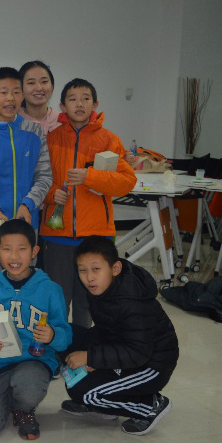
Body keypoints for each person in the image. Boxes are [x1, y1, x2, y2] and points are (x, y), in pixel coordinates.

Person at [0, 67, 52, 377]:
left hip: (27, 226)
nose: (11, 98)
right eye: (3, 92)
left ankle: (29, 351)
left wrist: (28, 204)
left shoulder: (35, 132)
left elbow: (45, 176)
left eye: (16, 91)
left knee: (26, 289)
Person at [41, 78, 136, 328]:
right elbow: (37, 180)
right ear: (63, 106)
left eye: (85, 99)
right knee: (57, 300)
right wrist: (51, 194)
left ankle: (83, 345)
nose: (79, 104)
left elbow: (126, 182)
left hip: (96, 235)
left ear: (95, 104)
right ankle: (59, 346)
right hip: (57, 234)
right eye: (72, 99)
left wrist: (90, 177)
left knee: (89, 301)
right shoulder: (51, 140)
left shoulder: (108, 140)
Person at [62, 237, 178, 436]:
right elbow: (106, 329)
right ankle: (106, 404)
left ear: (115, 268)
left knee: (86, 394)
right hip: (124, 352)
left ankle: (149, 405)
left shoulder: (132, 302)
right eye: (83, 270)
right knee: (67, 337)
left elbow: (138, 353)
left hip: (151, 366)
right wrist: (95, 356)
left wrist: (91, 357)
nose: (89, 278)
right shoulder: (102, 288)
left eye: (96, 269)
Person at [0, 220, 71, 440]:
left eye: (22, 249)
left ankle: (23, 408)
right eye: (7, 249)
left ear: (34, 252)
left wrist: (53, 335)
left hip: (33, 362)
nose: (14, 257)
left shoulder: (51, 290)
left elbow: (65, 335)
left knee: (29, 387)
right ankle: (6, 398)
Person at [18, 61, 61, 134]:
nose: (39, 88)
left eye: (44, 82)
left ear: (52, 86)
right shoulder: (11, 120)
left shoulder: (63, 121)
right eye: (31, 83)